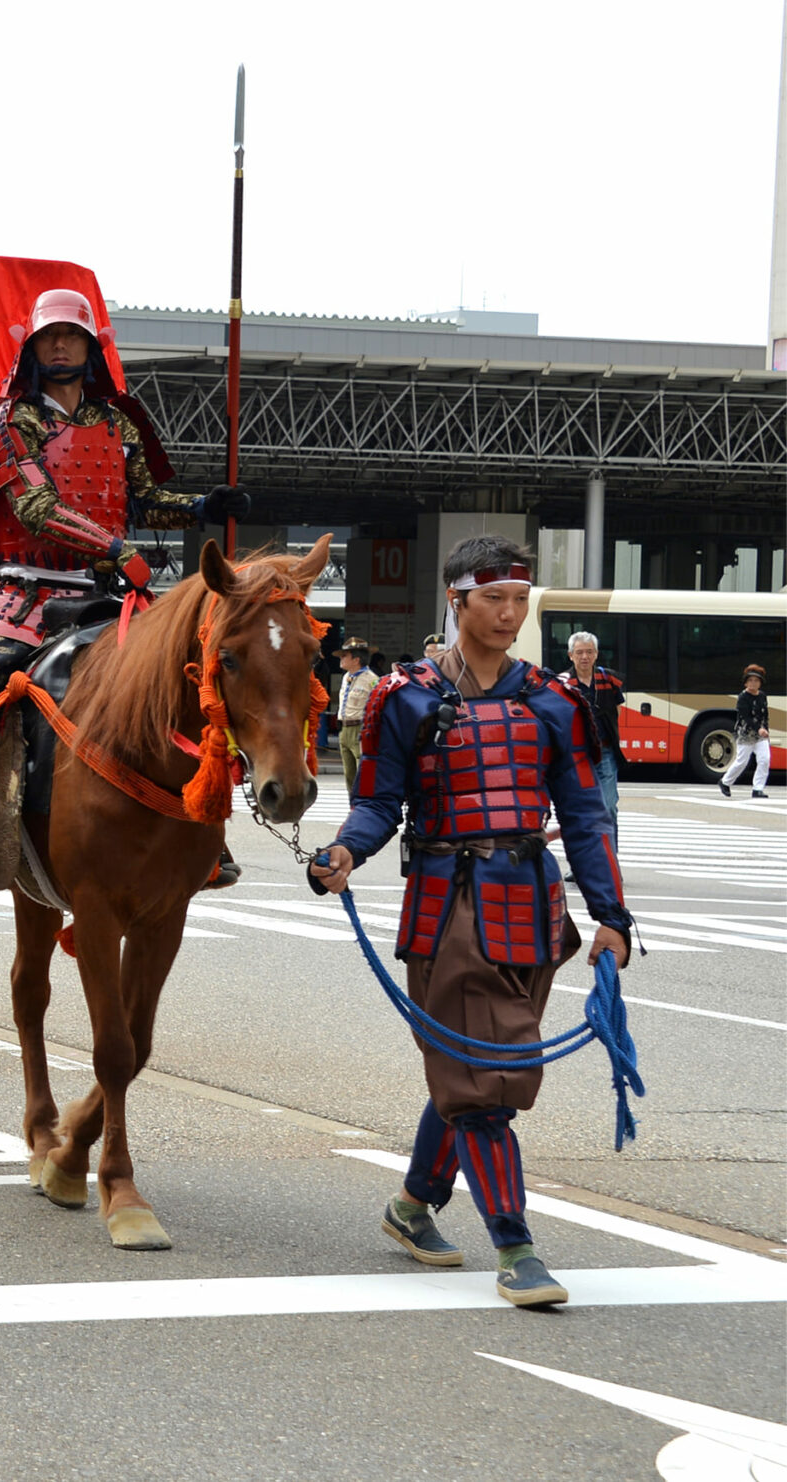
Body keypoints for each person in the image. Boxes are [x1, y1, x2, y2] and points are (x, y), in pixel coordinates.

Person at [308, 535, 632, 1311]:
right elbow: (380, 802)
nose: (510, 615)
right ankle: (515, 1245)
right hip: (447, 903)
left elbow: (587, 818)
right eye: (495, 600)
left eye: (520, 600)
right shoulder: (402, 696)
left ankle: (413, 1206)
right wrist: (345, 852)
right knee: (486, 1082)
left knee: (473, 1065)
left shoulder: (555, 700)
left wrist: (613, 918)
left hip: (532, 905)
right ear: (456, 601)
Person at [0, 289, 249, 884]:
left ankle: (196, 822)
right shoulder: (8, 422)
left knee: (187, 677)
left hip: (104, 593)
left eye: (72, 335)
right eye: (49, 336)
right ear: (33, 348)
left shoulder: (117, 422)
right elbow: (36, 507)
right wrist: (116, 549)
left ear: (92, 348)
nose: (60, 344)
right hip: (25, 591)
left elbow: (142, 499)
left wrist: (199, 505)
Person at [560, 632, 626, 838]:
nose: (584, 657)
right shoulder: (563, 683)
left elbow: (618, 710)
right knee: (579, 811)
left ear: (596, 654)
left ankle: (610, 862)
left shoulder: (608, 679)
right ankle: (580, 864)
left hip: (605, 751)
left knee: (608, 808)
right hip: (577, 755)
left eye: (589, 652)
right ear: (570, 655)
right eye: (579, 652)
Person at [717, 665, 770, 798]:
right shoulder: (742, 697)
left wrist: (766, 730)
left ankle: (758, 789)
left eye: (756, 680)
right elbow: (746, 717)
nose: (753, 683)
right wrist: (760, 729)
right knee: (742, 761)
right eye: (750, 680)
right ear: (746, 682)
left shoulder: (762, 696)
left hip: (761, 736)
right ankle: (725, 782)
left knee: (764, 759)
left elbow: (765, 715)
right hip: (746, 734)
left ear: (760, 683)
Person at [334, 641, 380, 786]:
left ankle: (364, 806)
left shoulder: (371, 679)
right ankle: (353, 806)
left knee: (363, 773)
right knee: (349, 775)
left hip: (360, 729)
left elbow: (378, 705)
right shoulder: (346, 677)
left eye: (344, 656)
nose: (341, 659)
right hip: (344, 729)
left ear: (356, 660)